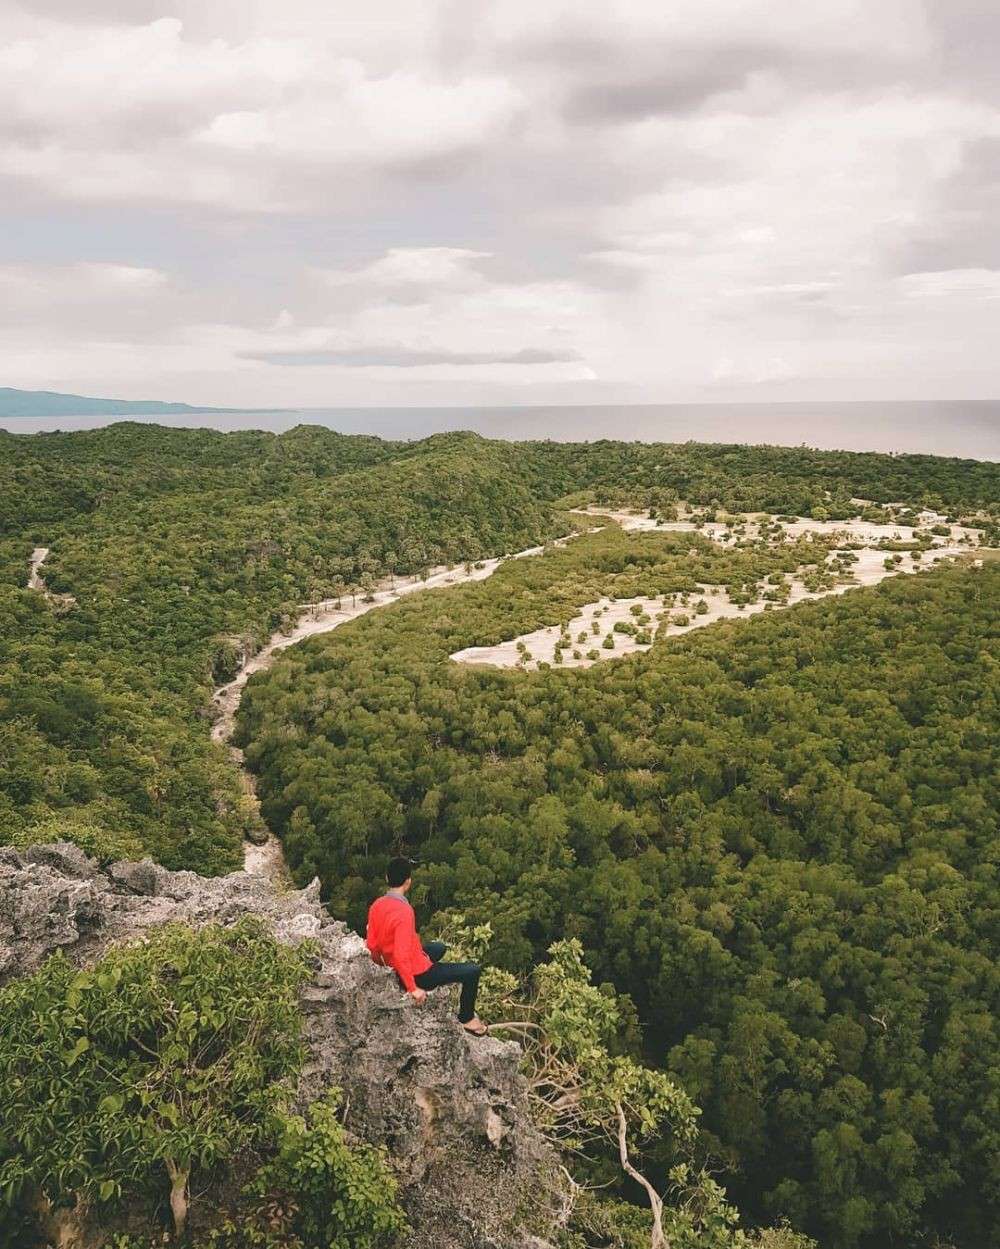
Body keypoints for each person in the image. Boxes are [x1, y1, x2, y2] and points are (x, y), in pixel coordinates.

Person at [366, 856, 487, 1036]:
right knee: (473, 971)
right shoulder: (404, 912)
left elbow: (371, 943)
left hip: (397, 961)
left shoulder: (377, 904)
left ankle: (426, 961)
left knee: (439, 948)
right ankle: (467, 1018)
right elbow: (400, 955)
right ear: (408, 882)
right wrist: (413, 988)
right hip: (418, 973)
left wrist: (385, 964)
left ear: (386, 878)